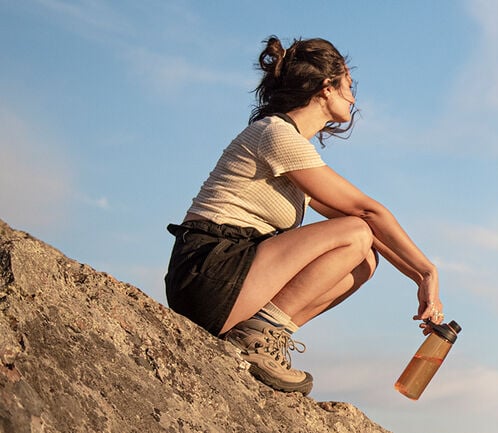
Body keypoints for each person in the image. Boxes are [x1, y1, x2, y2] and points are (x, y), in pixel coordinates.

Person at [164, 36, 442, 396]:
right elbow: (366, 212)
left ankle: (268, 333)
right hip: (209, 271)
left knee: (364, 260)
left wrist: (418, 282)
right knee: (356, 232)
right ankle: (256, 336)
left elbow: (373, 232)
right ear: (327, 88)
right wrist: (428, 271)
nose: (354, 98)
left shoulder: (293, 149)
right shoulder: (276, 134)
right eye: (348, 87)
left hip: (229, 276)